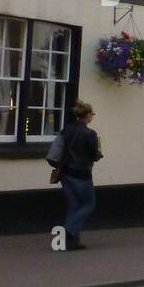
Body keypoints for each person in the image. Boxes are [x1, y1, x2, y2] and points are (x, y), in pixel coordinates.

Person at [55, 101, 102, 250]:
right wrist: (99, 154)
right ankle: (67, 231)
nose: (92, 117)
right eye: (92, 114)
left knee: (74, 206)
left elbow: (59, 148)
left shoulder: (67, 129)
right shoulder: (90, 134)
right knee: (89, 204)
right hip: (82, 173)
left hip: (65, 172)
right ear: (88, 115)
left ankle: (69, 243)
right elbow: (94, 155)